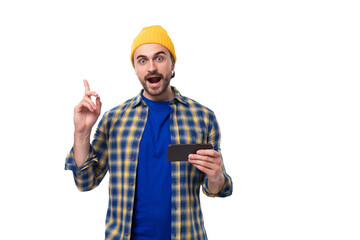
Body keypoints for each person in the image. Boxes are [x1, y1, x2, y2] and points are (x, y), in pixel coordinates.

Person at [65, 25, 233, 240]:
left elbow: (218, 188)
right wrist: (81, 132)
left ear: (173, 64)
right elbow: (85, 182)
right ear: (135, 68)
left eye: (159, 58)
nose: (151, 67)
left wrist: (216, 175)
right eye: (142, 60)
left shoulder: (203, 117)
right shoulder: (113, 119)